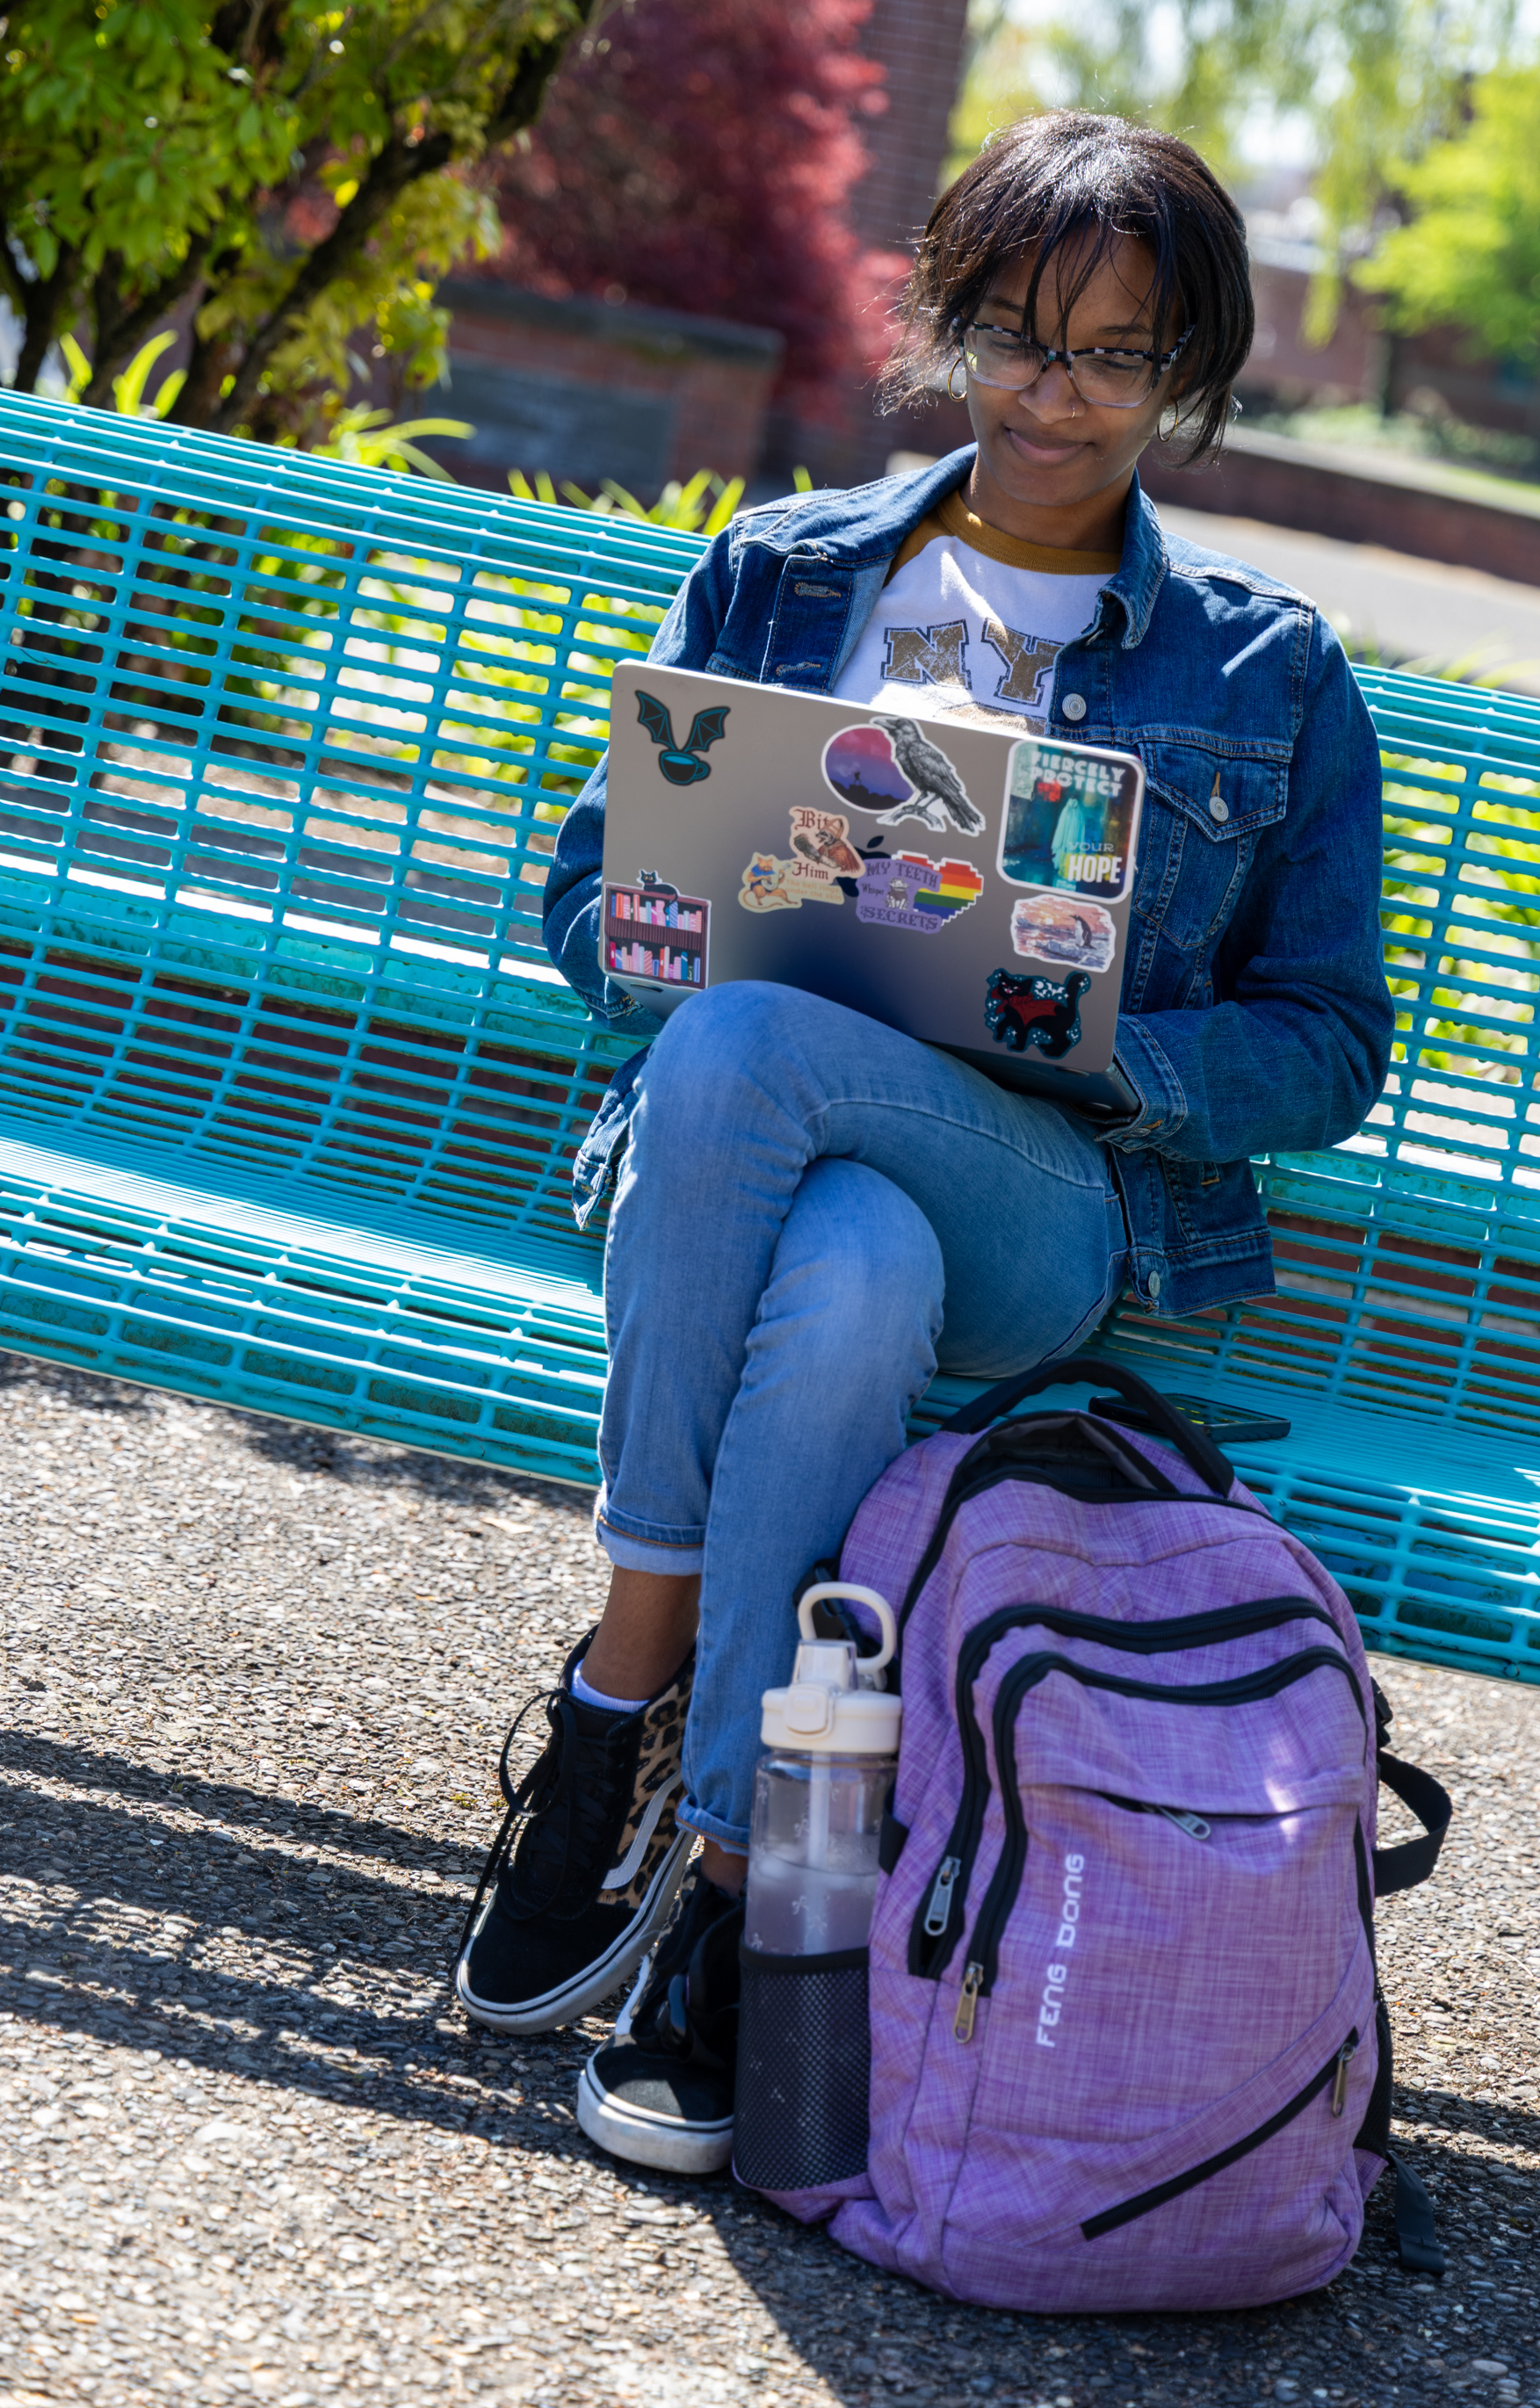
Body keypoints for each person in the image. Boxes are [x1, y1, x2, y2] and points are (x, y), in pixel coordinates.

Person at [454, 111, 1395, 2175]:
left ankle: (618, 1693)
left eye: (1116, 354)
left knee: (757, 1061)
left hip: (1048, 1213)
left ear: (1187, 380)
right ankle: (729, 1884)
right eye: (1015, 334)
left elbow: (1330, 1041)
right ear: (948, 326)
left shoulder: (1266, 671)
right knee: (828, 1228)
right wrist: (655, 926)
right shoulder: (784, 572)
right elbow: (587, 899)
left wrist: (1099, 1036)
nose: (1054, 393)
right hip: (771, 1197)